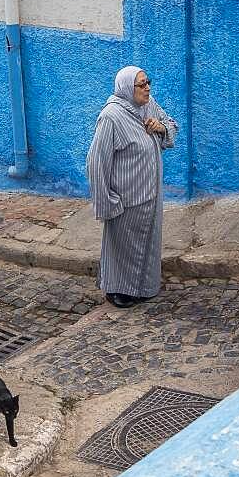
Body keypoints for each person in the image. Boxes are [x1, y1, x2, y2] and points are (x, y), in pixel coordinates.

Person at [86, 65, 178, 308]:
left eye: (148, 82)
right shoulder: (111, 117)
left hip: (151, 195)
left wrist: (161, 128)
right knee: (123, 248)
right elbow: (97, 162)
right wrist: (106, 201)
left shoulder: (148, 105)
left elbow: (170, 123)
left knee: (147, 244)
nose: (147, 88)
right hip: (126, 198)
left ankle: (145, 287)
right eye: (141, 84)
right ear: (127, 88)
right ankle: (117, 290)